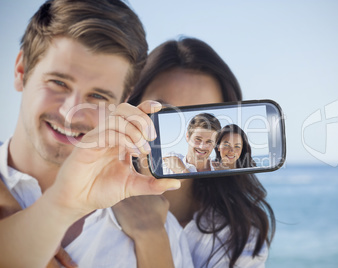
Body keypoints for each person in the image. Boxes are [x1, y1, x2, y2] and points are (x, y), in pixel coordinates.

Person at [0, 1, 188, 267]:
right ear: (21, 70)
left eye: (98, 96)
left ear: (123, 100)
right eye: (58, 82)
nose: (70, 113)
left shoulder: (163, 234)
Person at [124, 37, 276, 267]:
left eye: (204, 112)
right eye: (163, 111)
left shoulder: (240, 234)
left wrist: (151, 232)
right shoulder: (92, 200)